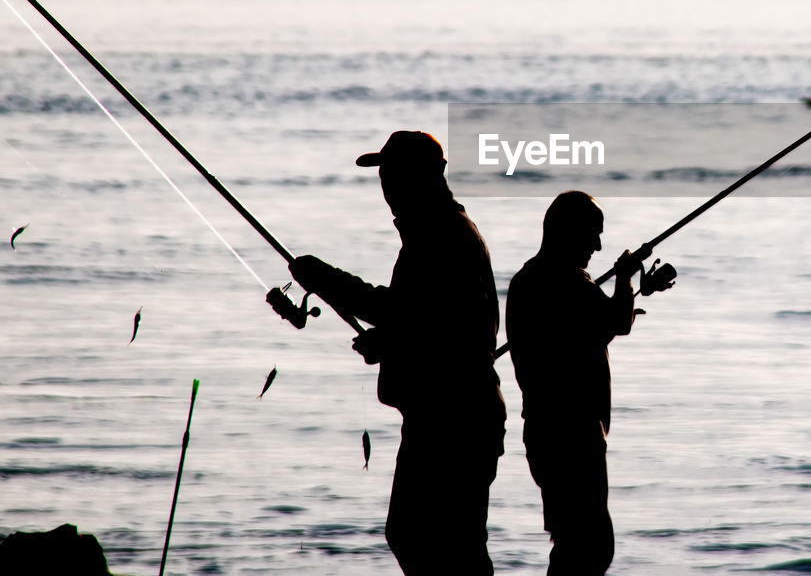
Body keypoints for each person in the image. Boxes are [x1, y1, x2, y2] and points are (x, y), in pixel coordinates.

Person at [283, 130, 506, 575]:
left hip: (455, 420)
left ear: (432, 175)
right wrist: (390, 343)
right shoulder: (434, 230)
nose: (386, 183)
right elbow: (427, 322)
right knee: (428, 539)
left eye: (396, 172)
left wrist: (324, 279)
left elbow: (405, 315)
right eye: (383, 173)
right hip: (444, 415)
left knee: (439, 541)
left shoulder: (442, 234)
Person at [505, 191, 674, 575]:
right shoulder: (567, 281)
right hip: (573, 435)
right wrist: (626, 277)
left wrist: (623, 289)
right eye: (592, 234)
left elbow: (580, 336)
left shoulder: (527, 280)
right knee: (590, 544)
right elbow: (616, 322)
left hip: (545, 431)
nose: (597, 245)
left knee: (574, 540)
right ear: (566, 232)